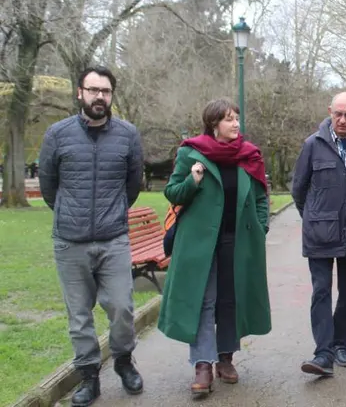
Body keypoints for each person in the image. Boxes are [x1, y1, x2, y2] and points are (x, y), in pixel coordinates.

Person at [38, 65, 145, 406]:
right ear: (80, 93)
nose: (100, 97)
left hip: (113, 239)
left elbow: (132, 186)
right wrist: (73, 215)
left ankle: (124, 361)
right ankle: (88, 377)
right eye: (93, 90)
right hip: (70, 241)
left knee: (122, 307)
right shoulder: (57, 134)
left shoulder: (128, 135)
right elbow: (48, 186)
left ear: (112, 95)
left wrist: (108, 215)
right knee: (79, 315)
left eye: (106, 91)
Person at [158, 98, 271, 396]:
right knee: (204, 301)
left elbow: (261, 197)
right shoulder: (190, 153)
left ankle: (226, 358)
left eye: (236, 118)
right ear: (213, 124)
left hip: (239, 241)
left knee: (230, 301)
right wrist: (193, 181)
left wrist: (262, 226)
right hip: (199, 244)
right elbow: (172, 193)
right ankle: (202, 365)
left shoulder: (249, 155)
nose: (236, 124)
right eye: (229, 119)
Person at [291, 92, 346, 376]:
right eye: (338, 113)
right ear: (329, 112)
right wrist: (315, 218)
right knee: (321, 292)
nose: (342, 119)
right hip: (320, 235)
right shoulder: (313, 145)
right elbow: (298, 190)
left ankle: (340, 345)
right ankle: (323, 353)